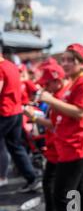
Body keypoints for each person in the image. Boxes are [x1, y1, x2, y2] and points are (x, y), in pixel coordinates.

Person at [37, 43, 83, 211]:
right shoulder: (75, 81)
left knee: (63, 196)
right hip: (70, 143)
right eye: (63, 60)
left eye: (70, 60)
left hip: (77, 145)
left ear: (81, 63)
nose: (65, 64)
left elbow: (80, 112)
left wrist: (50, 100)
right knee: (78, 190)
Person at [24, 63, 68, 211]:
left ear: (57, 80)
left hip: (68, 150)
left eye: (47, 83)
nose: (44, 86)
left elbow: (55, 124)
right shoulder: (57, 95)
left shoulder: (62, 96)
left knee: (74, 190)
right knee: (55, 187)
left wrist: (35, 117)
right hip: (57, 148)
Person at [0, 46, 39, 192]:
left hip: (5, 113)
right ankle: (32, 178)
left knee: (14, 147)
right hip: (15, 112)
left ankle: (29, 177)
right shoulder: (10, 65)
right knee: (15, 147)